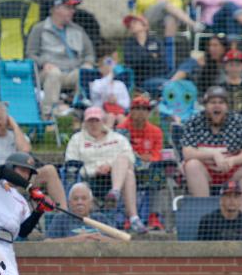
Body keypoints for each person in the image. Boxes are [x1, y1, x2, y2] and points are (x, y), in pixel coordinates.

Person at [0, 102, 67, 210]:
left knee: (50, 170)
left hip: (24, 181)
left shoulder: (16, 136)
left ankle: (63, 214)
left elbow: (26, 151)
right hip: (0, 184)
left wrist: (15, 126)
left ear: (7, 119)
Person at [65, 106, 146, 234]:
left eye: (96, 120)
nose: (93, 124)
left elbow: (131, 158)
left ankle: (116, 194)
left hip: (115, 176)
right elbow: (71, 163)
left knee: (125, 162)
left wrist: (109, 166)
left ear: (102, 121)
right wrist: (95, 170)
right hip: (90, 179)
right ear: (85, 122)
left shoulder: (117, 138)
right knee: (128, 174)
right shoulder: (77, 139)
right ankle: (134, 218)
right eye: (90, 121)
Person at [181, 86, 242, 214]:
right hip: (205, 171)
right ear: (205, 106)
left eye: (221, 103)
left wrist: (233, 160)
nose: (217, 106)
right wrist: (213, 155)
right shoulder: (194, 121)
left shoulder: (238, 120)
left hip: (232, 171)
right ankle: (204, 216)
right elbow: (187, 152)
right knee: (192, 165)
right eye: (212, 103)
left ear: (227, 106)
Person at [26, 0, 95, 118]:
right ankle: (48, 115)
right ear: (55, 8)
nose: (72, 11)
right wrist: (44, 64)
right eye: (68, 8)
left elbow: (89, 53)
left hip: (71, 73)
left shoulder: (78, 30)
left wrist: (88, 63)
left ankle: (79, 112)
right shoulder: (39, 29)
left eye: (73, 8)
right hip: (47, 73)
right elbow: (30, 54)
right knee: (54, 73)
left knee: (86, 72)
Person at [116, 96, 165, 231]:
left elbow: (156, 154)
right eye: (137, 108)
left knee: (158, 174)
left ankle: (154, 216)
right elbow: (121, 152)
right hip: (128, 168)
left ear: (149, 112)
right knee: (125, 173)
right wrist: (139, 157)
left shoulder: (156, 131)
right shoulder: (122, 128)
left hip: (147, 169)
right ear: (131, 111)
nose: (141, 112)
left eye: (144, 109)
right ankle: (126, 217)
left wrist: (147, 159)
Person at [46, 182, 119, 241]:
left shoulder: (100, 218)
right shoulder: (61, 219)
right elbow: (47, 243)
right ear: (69, 203)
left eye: (84, 198)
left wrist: (100, 239)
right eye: (75, 199)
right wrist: (75, 240)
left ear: (91, 203)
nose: (79, 202)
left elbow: (120, 241)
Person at [122, 14, 168, 96]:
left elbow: (162, 61)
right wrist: (151, 56)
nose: (131, 25)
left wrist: (141, 57)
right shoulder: (128, 44)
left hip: (161, 76)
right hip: (142, 81)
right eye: (129, 25)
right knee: (168, 85)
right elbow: (130, 62)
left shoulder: (156, 41)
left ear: (145, 26)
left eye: (135, 22)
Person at [89, 43, 130, 129]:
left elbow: (127, 104)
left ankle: (123, 136)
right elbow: (97, 92)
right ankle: (107, 137)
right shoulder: (96, 83)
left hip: (118, 111)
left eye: (110, 65)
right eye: (106, 65)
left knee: (121, 117)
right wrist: (110, 74)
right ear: (100, 68)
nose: (108, 67)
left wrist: (116, 101)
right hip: (101, 112)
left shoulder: (120, 84)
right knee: (110, 116)